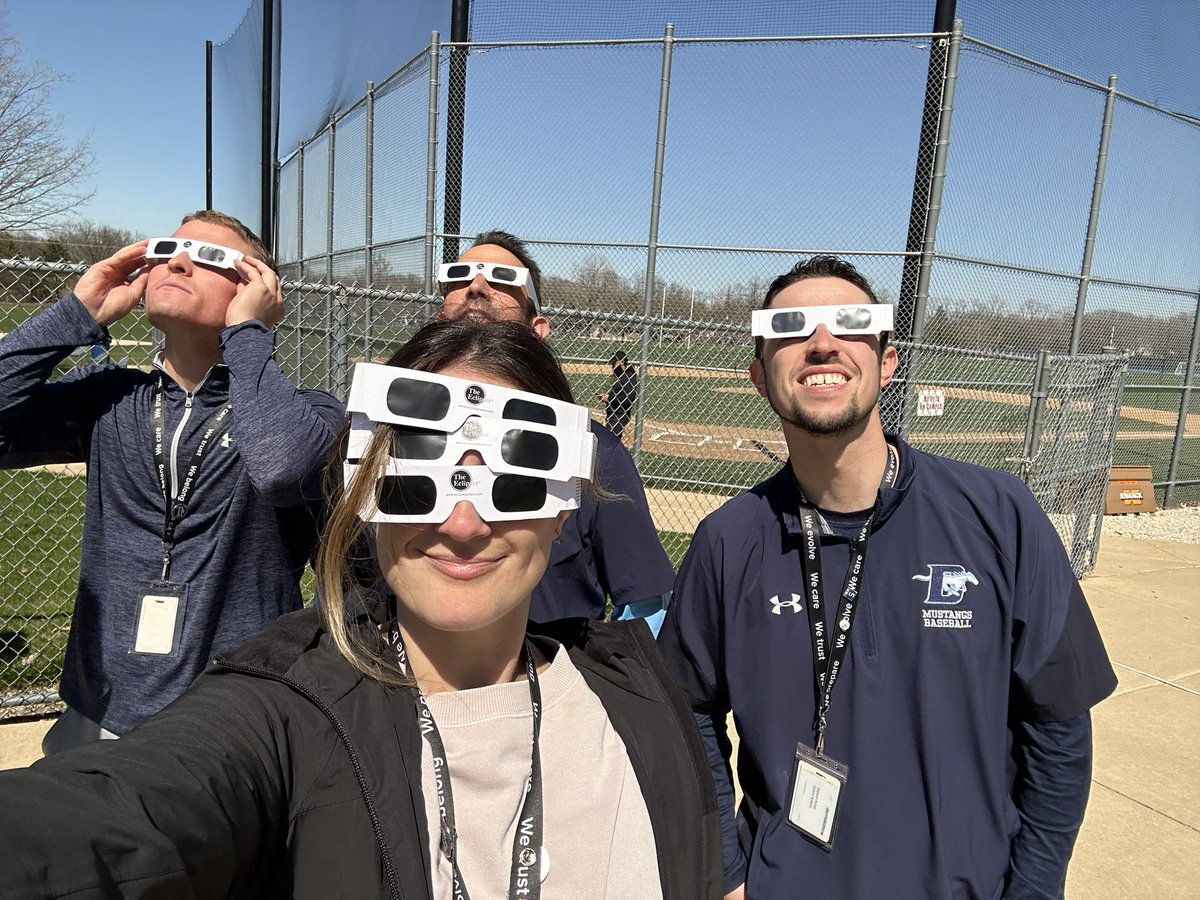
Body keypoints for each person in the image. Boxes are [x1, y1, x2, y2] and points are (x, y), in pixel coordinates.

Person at [0, 318, 722, 899]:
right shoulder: (286, 714)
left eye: (513, 483)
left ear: (564, 511)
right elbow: (124, 819)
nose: (464, 525)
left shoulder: (640, 692)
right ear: (364, 499)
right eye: (417, 479)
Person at [657, 256, 1118, 899]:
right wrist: (729, 876)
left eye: (850, 323)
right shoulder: (728, 541)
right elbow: (687, 718)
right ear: (760, 376)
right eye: (791, 327)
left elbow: (1059, 726)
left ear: (887, 359)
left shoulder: (999, 513)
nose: (822, 343)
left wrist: (1035, 891)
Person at [0, 210, 344, 753]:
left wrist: (248, 335)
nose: (177, 262)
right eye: (167, 249)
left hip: (235, 722)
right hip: (97, 710)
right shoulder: (107, 397)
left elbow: (280, 469)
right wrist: (77, 314)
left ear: (254, 286)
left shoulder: (310, 413)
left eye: (208, 257)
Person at [435, 230, 675, 634]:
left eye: (502, 280)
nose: (476, 286)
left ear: (537, 328)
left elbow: (647, 609)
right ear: (438, 319)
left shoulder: (595, 450)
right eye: (458, 278)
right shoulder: (388, 437)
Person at [599, 349, 637, 440]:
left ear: (622, 362)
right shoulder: (624, 377)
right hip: (615, 414)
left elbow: (628, 398)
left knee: (610, 440)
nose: (612, 366)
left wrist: (609, 398)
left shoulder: (629, 376)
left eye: (614, 363)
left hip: (619, 415)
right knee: (611, 439)